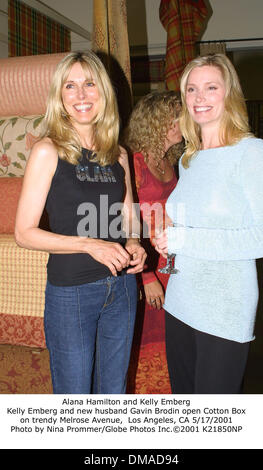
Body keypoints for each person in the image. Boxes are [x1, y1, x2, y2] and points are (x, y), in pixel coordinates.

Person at [15, 51, 146, 394]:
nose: (81, 95)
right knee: (74, 397)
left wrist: (134, 244)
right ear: (59, 96)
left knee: (113, 393)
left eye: (89, 84)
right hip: (72, 292)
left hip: (122, 288)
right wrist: (88, 244)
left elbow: (128, 212)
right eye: (70, 86)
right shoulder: (48, 151)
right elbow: (24, 233)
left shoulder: (118, 153)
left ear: (103, 91)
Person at [154, 53, 263, 394]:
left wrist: (183, 240)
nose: (199, 98)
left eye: (210, 87)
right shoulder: (190, 159)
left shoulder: (251, 152)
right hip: (180, 301)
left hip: (224, 309)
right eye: (191, 89)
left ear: (228, 93)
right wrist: (168, 236)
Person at [124, 91, 182, 393]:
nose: (181, 122)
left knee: (174, 344)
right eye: (174, 116)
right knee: (147, 343)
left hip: (174, 269)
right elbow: (123, 224)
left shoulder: (174, 162)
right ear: (155, 123)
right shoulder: (133, 164)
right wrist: (147, 277)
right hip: (147, 272)